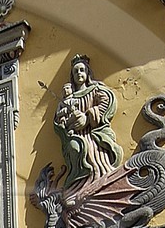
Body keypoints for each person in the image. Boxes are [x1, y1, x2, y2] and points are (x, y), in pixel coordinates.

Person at [53, 54, 125, 187]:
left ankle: (100, 180)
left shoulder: (95, 90)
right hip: (76, 135)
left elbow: (107, 102)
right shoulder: (69, 99)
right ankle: (79, 185)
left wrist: (87, 118)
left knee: (94, 150)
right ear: (72, 76)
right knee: (75, 148)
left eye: (82, 70)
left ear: (87, 73)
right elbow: (59, 118)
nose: (79, 73)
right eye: (76, 71)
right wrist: (66, 122)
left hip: (94, 133)